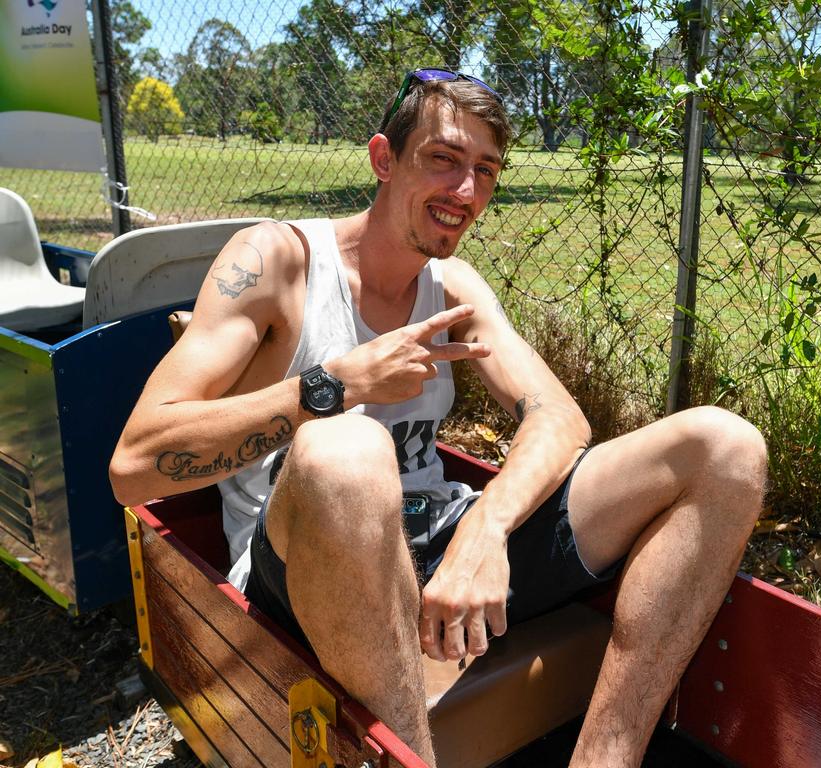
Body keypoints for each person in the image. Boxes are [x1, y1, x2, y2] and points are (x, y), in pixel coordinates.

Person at [109, 68, 767, 767]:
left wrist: (484, 532)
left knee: (724, 446)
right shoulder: (277, 262)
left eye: (485, 170)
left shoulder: (452, 285)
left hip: (440, 540)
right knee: (348, 452)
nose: (466, 192)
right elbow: (133, 465)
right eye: (444, 159)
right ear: (383, 159)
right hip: (305, 567)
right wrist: (331, 386)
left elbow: (561, 420)